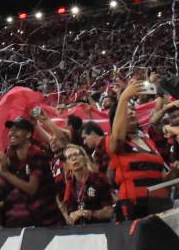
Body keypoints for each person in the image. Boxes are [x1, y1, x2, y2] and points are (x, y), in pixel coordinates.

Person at [106, 80, 168, 220]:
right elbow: (117, 137)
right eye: (126, 110)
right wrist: (123, 97)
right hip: (135, 208)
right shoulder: (115, 141)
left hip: (161, 206)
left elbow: (162, 176)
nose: (132, 113)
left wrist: (175, 173)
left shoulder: (149, 141)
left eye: (132, 109)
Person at [0, 117, 62, 229]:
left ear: (28, 135)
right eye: (10, 130)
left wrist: (6, 173)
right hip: (17, 229)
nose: (11, 133)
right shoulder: (11, 160)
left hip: (47, 227)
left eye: (17, 130)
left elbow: (31, 189)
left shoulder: (38, 156)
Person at [59, 144, 114, 224]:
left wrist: (90, 213)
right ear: (67, 165)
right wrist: (70, 217)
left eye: (76, 155)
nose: (74, 158)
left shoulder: (98, 179)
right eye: (70, 157)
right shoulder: (67, 185)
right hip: (77, 232)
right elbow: (68, 216)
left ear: (84, 158)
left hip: (99, 229)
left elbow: (109, 212)